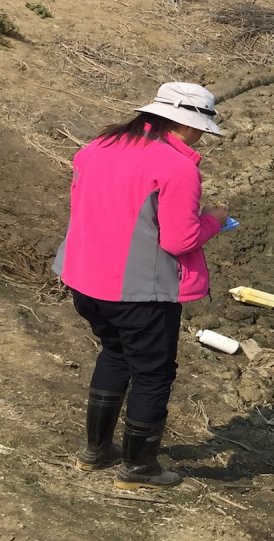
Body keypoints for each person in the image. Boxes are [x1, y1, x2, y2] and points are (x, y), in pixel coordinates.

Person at [53, 82, 228, 490]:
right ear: (185, 125)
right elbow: (179, 240)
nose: (202, 135)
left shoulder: (97, 147)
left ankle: (96, 451)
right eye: (200, 127)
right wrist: (215, 219)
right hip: (138, 292)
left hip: (83, 279)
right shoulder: (177, 167)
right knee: (153, 374)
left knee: (115, 354)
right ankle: (139, 468)